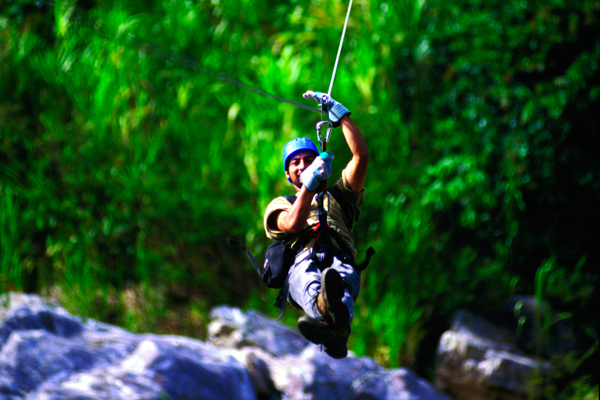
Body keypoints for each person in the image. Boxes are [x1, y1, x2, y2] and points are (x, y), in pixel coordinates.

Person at [263, 91, 369, 358]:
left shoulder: (341, 196)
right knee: (309, 281)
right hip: (302, 260)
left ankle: (332, 329)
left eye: (308, 160)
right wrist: (309, 185)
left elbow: (361, 158)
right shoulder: (281, 204)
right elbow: (292, 224)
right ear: (288, 174)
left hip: (340, 256)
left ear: (319, 161)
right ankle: (330, 321)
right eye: (295, 163)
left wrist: (341, 115)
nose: (302, 166)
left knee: (341, 279)